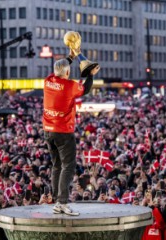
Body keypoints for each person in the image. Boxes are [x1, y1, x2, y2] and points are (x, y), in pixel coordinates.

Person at [43, 53, 100, 216]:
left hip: (48, 130)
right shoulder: (70, 86)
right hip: (63, 132)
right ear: (67, 73)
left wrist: (70, 58)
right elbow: (86, 89)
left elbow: (59, 70)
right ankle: (62, 202)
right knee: (68, 166)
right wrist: (90, 74)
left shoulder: (48, 82)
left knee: (57, 165)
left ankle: (56, 199)